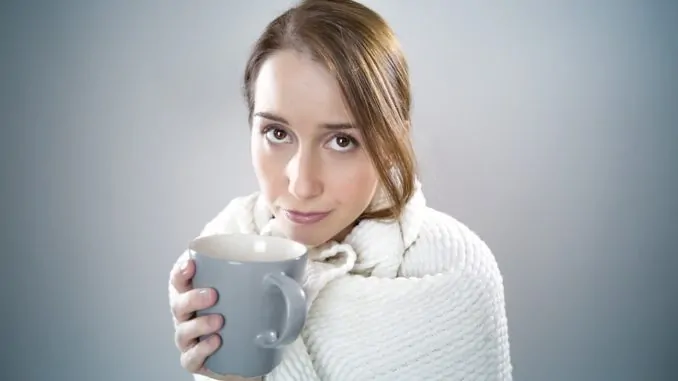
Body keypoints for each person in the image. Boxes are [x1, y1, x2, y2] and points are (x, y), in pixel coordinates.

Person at [168, 0, 512, 380]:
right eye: (277, 133)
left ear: (389, 140)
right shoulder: (224, 244)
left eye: (342, 141)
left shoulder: (457, 272)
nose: (301, 184)